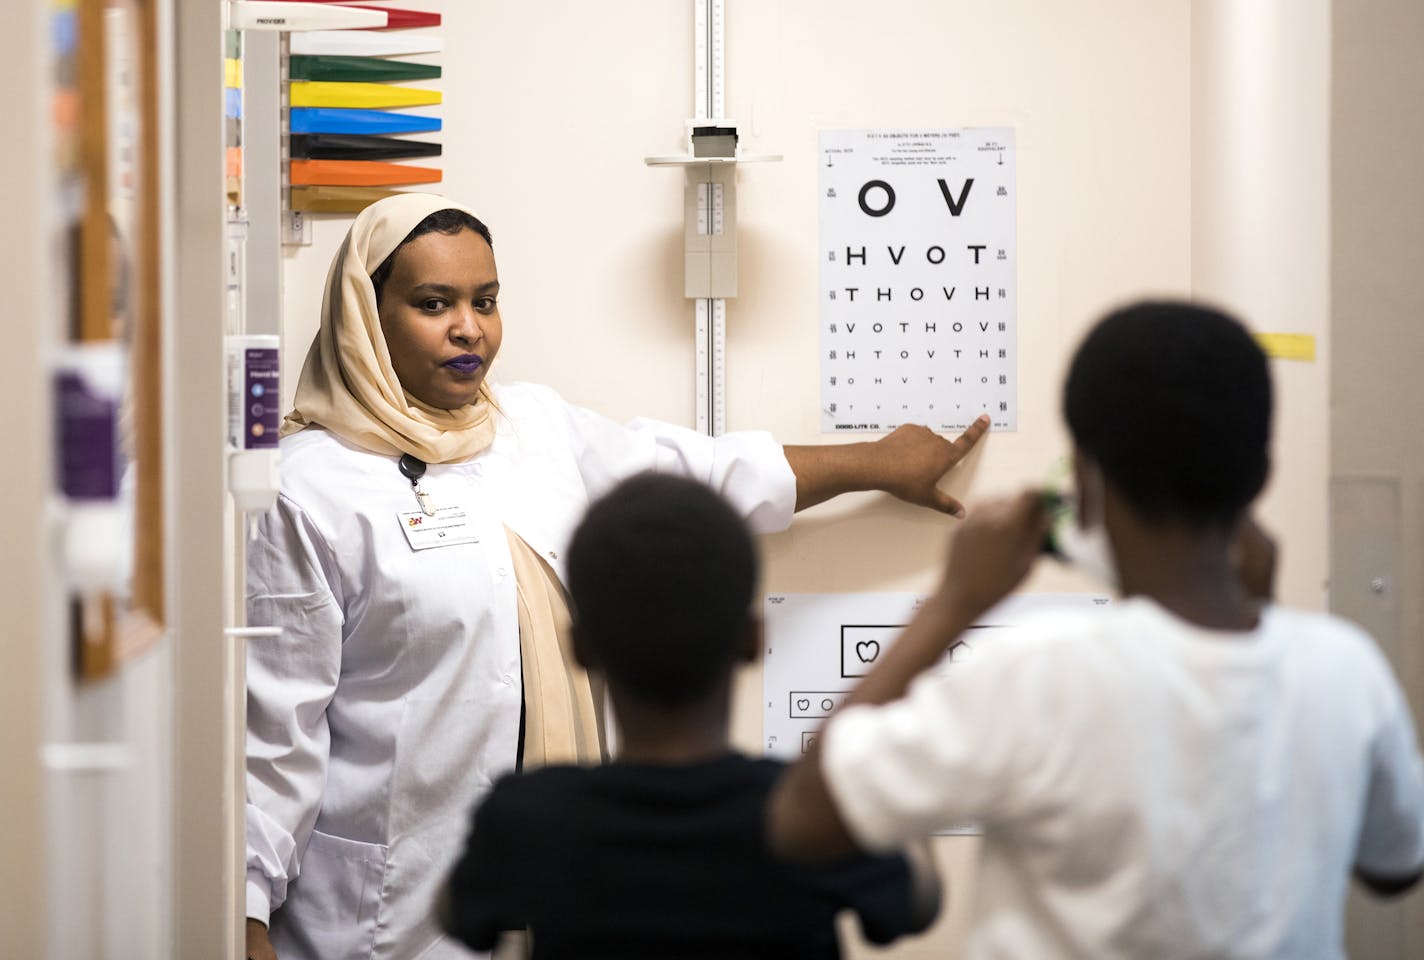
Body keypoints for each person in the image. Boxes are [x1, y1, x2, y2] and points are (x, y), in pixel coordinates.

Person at [244, 192, 987, 960]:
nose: (469, 328)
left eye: (486, 301)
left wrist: (874, 464)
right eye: (435, 303)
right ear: (368, 314)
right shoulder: (307, 487)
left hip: (548, 910)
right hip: (376, 916)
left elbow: (702, 472)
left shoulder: (533, 428)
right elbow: (273, 732)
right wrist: (246, 912)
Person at [768, 301, 1424, 958]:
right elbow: (1394, 868)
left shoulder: (1034, 676)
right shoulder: (1347, 670)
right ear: (1259, 475)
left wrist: (954, 602)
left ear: (1084, 480)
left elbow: (803, 819)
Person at [438, 472, 941, 958]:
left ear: (581, 649)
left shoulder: (529, 816)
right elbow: (919, 903)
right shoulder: (805, 815)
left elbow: (455, 914)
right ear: (753, 640)